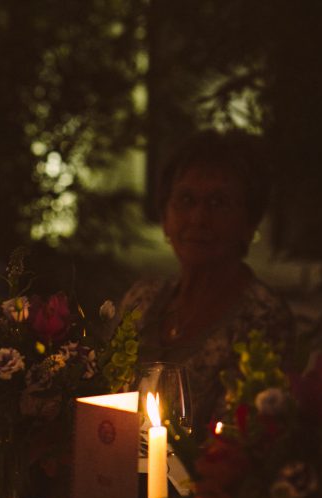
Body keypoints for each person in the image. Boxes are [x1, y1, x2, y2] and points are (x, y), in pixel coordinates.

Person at [115, 130, 295, 434]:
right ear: (165, 215)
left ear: (249, 223)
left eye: (218, 203)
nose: (198, 218)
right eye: (186, 200)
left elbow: (243, 440)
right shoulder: (141, 299)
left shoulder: (262, 319)